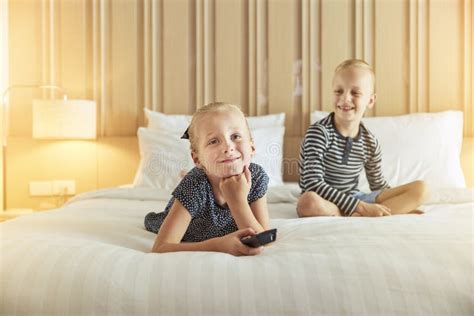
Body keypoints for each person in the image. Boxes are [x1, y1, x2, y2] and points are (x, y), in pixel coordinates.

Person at [297, 59, 429, 217]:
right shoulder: (319, 133)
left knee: (421, 189)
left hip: (356, 198)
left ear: (371, 100)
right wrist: (361, 207)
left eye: (355, 93)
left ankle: (371, 213)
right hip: (325, 201)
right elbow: (313, 184)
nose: (345, 98)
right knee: (307, 202)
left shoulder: (370, 142)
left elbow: (378, 185)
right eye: (338, 91)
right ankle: (358, 214)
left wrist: (401, 203)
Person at [145, 102, 270, 256]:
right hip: (189, 226)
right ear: (197, 159)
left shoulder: (257, 177)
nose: (228, 147)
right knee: (153, 221)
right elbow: (161, 247)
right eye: (213, 141)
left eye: (235, 136)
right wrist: (217, 245)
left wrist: (237, 200)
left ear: (252, 147)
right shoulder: (195, 186)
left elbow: (263, 239)